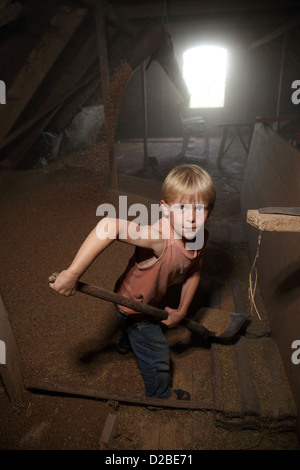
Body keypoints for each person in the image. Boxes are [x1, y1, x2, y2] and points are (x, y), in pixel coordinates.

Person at [49, 164, 216, 401]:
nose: (191, 217)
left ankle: (124, 344)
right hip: (134, 306)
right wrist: (72, 274)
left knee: (129, 326)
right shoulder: (159, 240)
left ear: (210, 211)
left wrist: (181, 311)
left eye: (200, 208)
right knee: (157, 352)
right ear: (165, 209)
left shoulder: (201, 237)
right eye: (181, 207)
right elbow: (108, 226)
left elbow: (194, 270)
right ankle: (159, 396)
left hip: (143, 298)